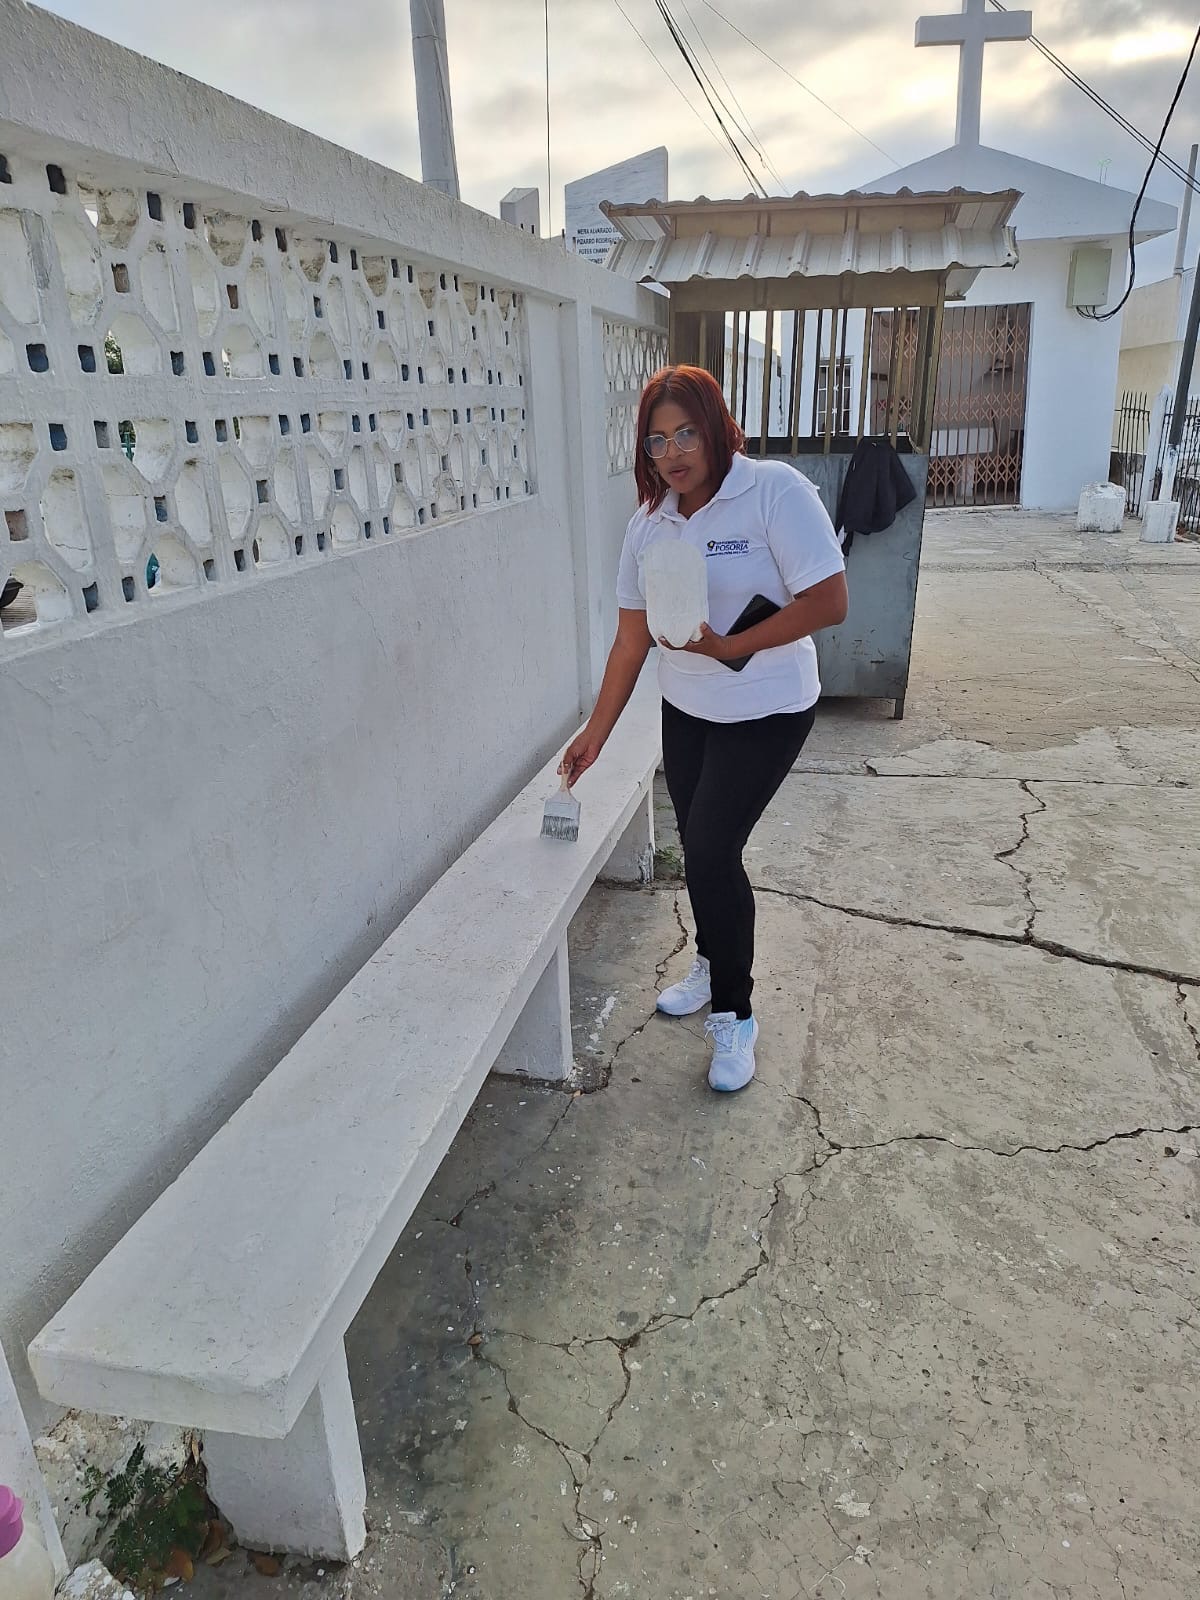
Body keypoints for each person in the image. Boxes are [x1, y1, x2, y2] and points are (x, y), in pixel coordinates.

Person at [560, 365, 848, 1093]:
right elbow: (632, 640)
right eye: (657, 441)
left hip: (768, 708)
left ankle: (735, 1012)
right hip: (688, 708)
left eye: (686, 432)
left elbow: (829, 600)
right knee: (698, 851)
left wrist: (730, 646)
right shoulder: (648, 525)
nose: (674, 452)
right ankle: (714, 959)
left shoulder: (773, 491)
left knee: (715, 852)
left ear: (716, 427)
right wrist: (596, 734)